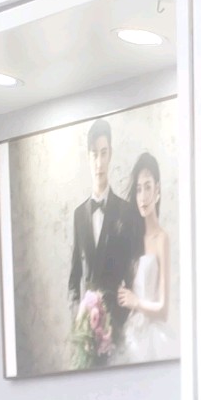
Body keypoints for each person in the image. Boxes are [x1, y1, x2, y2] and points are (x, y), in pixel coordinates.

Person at [66, 118, 143, 361]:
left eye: (103, 153)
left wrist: (118, 322)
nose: (99, 162)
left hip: (116, 331)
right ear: (88, 158)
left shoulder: (125, 211)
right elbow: (74, 278)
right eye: (94, 154)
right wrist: (78, 318)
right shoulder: (79, 215)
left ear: (110, 154)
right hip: (86, 334)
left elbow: (132, 277)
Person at [116, 152, 177, 362]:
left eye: (148, 187)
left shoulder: (162, 239)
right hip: (131, 334)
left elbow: (163, 310)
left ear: (157, 190)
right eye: (138, 189)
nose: (142, 196)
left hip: (154, 337)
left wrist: (135, 302)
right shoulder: (132, 240)